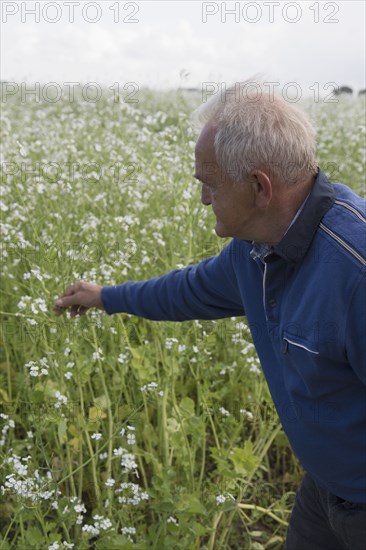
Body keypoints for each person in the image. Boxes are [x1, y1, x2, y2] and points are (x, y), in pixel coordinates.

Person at [53, 78, 366, 549]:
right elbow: (189, 291)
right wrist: (106, 297)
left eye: (210, 185)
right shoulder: (257, 246)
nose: (203, 200)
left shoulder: (354, 271)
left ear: (260, 187)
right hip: (324, 490)